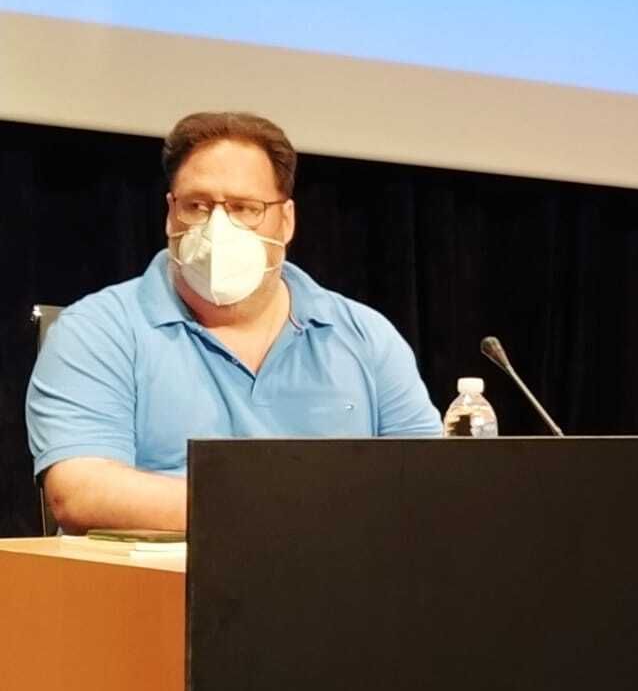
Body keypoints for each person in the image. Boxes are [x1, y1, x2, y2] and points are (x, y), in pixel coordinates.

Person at [27, 112, 442, 533]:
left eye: (245, 208)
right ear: (171, 214)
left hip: (341, 587)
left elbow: (434, 483)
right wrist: (295, 509)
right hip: (159, 589)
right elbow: (80, 492)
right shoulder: (98, 329)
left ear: (287, 220)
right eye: (197, 206)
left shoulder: (364, 336)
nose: (218, 228)